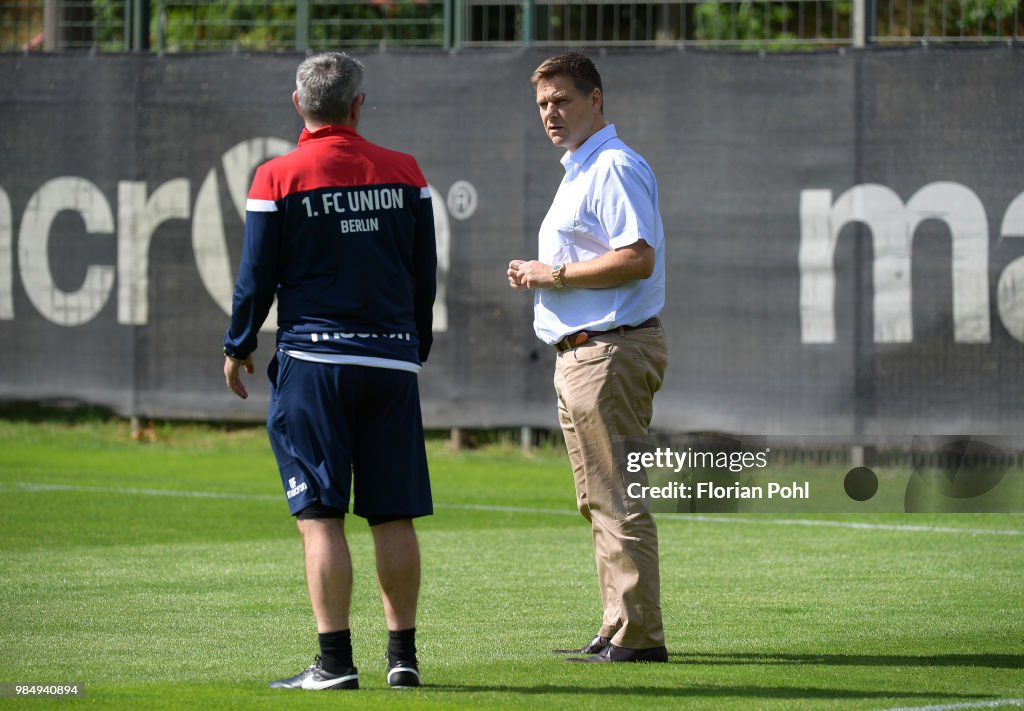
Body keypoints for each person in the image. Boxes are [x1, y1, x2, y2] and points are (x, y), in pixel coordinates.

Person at [222, 51, 436, 690]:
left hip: (315, 363)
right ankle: (404, 659)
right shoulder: (406, 173)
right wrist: (413, 344)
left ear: (298, 105)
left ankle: (335, 664)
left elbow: (256, 277)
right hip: (391, 362)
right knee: (392, 514)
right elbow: (423, 271)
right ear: (358, 105)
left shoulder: (277, 176)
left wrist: (238, 345)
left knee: (320, 516)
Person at [507, 52, 669, 663]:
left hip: (610, 351)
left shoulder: (614, 167)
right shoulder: (580, 168)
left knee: (617, 495)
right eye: (544, 103)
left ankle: (638, 638)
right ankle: (615, 627)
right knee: (597, 497)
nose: (551, 112)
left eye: (563, 100)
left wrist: (556, 272)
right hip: (585, 353)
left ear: (595, 100)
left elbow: (638, 256)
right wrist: (548, 277)